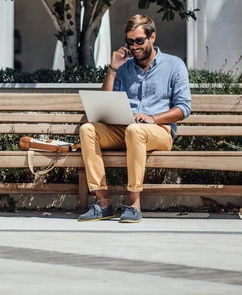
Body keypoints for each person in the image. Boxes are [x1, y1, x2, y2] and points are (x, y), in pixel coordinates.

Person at [78, 14, 191, 223]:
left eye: (139, 40)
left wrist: (153, 118)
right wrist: (113, 68)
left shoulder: (174, 65)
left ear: (152, 37)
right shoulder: (125, 67)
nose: (134, 46)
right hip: (125, 129)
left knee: (135, 130)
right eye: (130, 41)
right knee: (88, 129)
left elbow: (184, 108)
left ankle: (133, 203)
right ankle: (103, 203)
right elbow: (104, 101)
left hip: (159, 131)